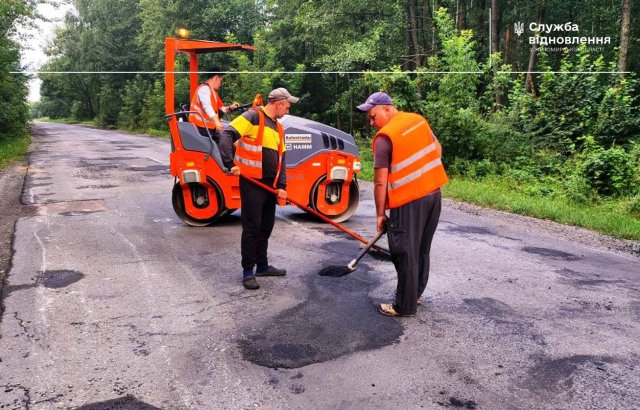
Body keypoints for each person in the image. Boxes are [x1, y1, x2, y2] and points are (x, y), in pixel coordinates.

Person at [356, 92, 448, 317]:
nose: (371, 122)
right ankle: (414, 294)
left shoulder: (384, 137)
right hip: (433, 196)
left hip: (408, 202)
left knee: (403, 252)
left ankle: (404, 306)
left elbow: (380, 182)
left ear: (387, 108)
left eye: (373, 116)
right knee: (421, 249)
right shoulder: (418, 120)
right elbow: (438, 150)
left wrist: (380, 214)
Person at [219, 87, 299, 290]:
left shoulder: (279, 128)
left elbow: (282, 158)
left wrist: (282, 185)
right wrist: (230, 163)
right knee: (252, 227)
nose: (287, 111)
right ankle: (248, 271)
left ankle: (262, 266)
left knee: (266, 226)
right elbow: (227, 134)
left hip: (270, 186)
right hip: (252, 182)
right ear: (279, 103)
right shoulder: (253, 116)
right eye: (287, 107)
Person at [189, 70, 239, 142]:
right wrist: (217, 122)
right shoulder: (204, 89)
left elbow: (220, 108)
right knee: (231, 134)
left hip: (209, 126)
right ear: (216, 77)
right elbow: (207, 107)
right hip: (202, 127)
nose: (220, 83)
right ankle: (228, 153)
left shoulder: (213, 92)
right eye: (220, 80)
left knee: (234, 127)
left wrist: (230, 108)